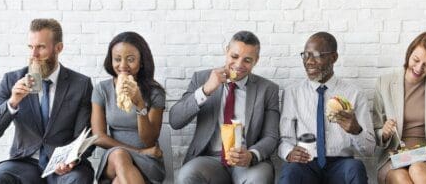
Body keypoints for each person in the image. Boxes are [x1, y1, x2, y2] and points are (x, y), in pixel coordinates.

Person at [0, 18, 94, 184]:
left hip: (62, 166)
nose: (33, 55)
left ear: (58, 48)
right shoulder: (12, 80)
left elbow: (84, 136)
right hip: (25, 162)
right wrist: (12, 102)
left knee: (78, 179)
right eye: (30, 47)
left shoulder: (81, 84)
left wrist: (72, 159)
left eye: (41, 47)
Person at [170, 31, 280, 184]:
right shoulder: (202, 79)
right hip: (209, 159)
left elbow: (272, 136)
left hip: (247, 161)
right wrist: (205, 90)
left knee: (260, 178)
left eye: (247, 60)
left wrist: (252, 155)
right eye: (234, 56)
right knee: (186, 175)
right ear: (226, 51)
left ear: (256, 60)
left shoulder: (268, 89)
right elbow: (175, 121)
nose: (239, 65)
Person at [278, 32, 375, 184]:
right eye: (306, 55)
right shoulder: (293, 93)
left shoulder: (355, 94)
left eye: (316, 55)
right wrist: (289, 152)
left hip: (341, 164)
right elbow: (285, 139)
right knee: (290, 171)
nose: (309, 61)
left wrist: (356, 130)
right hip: (305, 163)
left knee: (355, 168)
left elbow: (369, 150)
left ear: (334, 57)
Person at [373, 32, 426, 184]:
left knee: (417, 169)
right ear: (409, 53)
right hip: (394, 158)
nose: (418, 68)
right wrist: (384, 132)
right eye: (416, 60)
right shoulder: (384, 83)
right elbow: (375, 132)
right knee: (401, 178)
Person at [91, 31, 166, 183]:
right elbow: (98, 137)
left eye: (130, 59)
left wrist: (139, 103)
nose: (123, 66)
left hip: (148, 162)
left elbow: (149, 141)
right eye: (117, 59)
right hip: (115, 158)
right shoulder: (102, 90)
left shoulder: (155, 93)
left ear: (142, 61)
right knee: (119, 155)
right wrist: (139, 151)